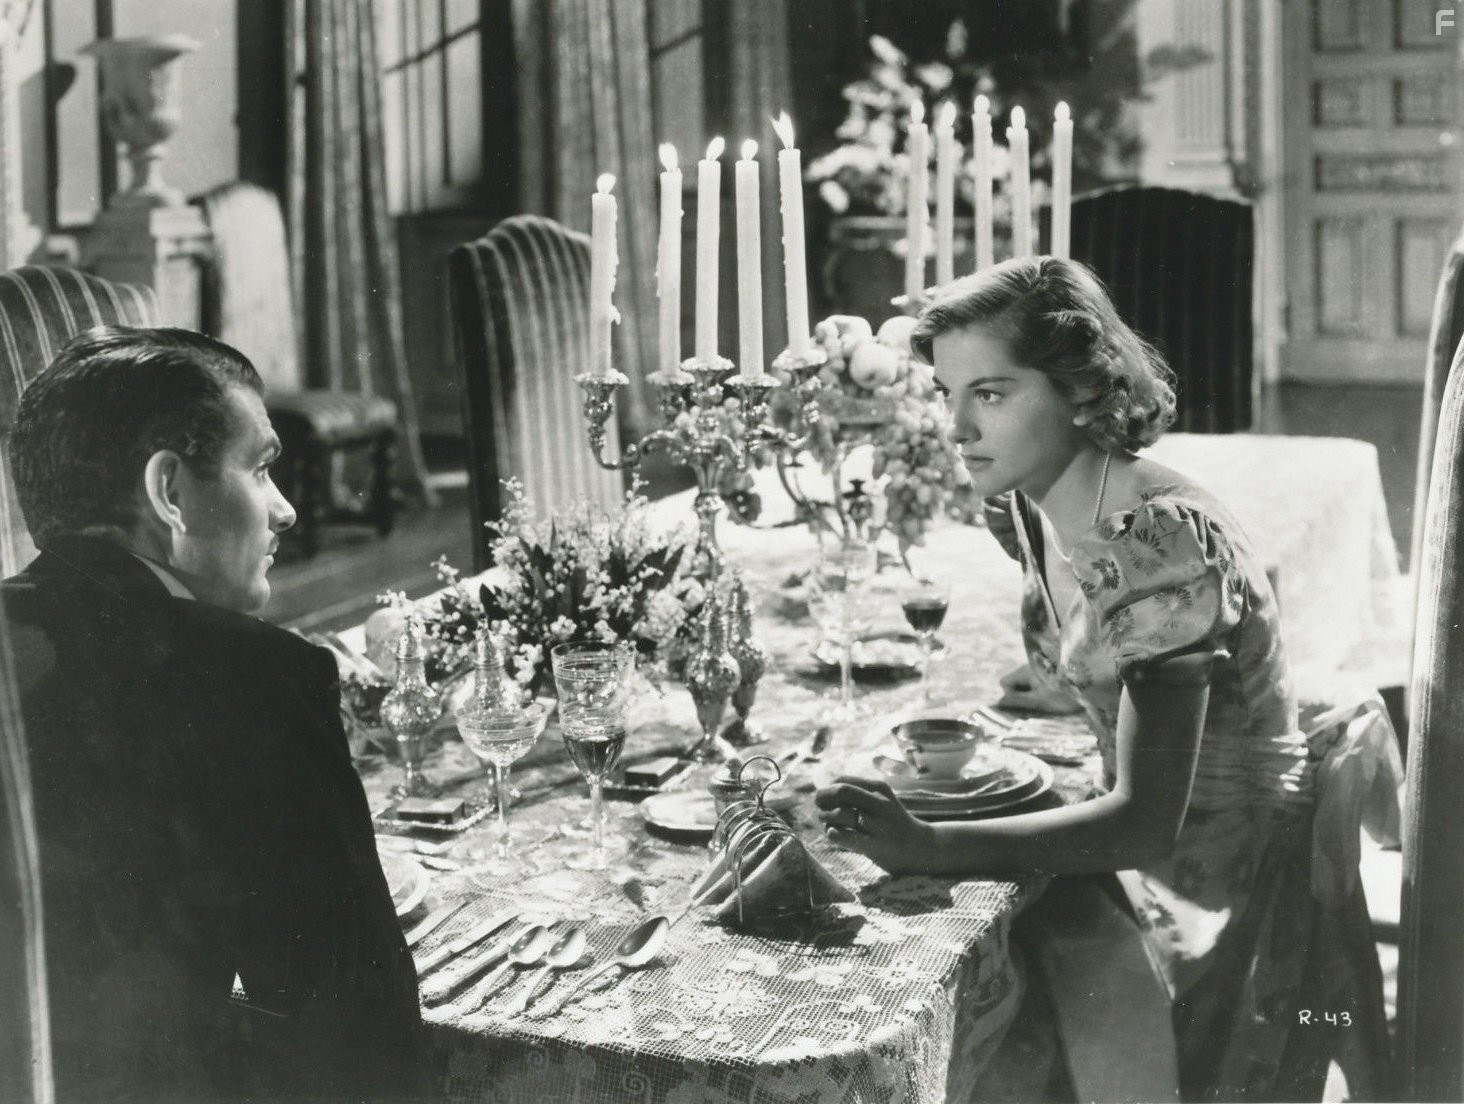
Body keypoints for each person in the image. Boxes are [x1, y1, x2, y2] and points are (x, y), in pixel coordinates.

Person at [815, 258, 1389, 1101]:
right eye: (948, 392)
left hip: (1219, 881)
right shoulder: (1031, 501)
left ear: (1080, 391)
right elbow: (1104, 653)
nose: (957, 427)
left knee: (973, 1008)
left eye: (993, 393)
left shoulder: (1154, 545)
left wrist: (933, 844)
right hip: (1149, 831)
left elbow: (1143, 824)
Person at [3, 326, 426, 1102]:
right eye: (261, 469)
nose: (286, 510)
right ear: (169, 492)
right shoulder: (255, 678)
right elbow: (357, 1035)